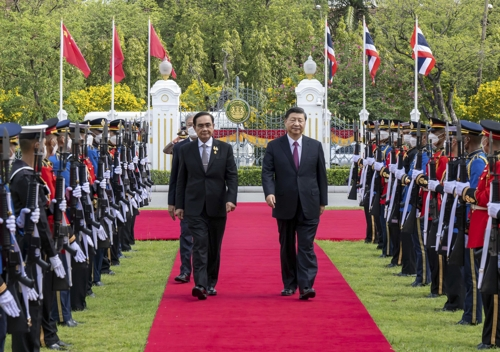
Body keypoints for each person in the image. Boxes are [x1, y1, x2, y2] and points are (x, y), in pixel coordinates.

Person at [262, 106, 328, 300]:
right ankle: (289, 284)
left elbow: (321, 175)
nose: (296, 124)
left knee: (306, 245)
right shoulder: (274, 146)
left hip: (310, 203)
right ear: (285, 122)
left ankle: (306, 286)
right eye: (293, 120)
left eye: (300, 120)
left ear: (305, 123)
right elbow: (267, 172)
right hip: (284, 203)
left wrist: (322, 201)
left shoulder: (315, 146)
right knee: (287, 245)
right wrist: (269, 193)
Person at [175, 111, 238, 300]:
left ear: (213, 127)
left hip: (218, 206)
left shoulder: (225, 149)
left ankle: (211, 282)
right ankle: (200, 284)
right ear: (194, 128)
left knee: (213, 246)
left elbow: (232, 176)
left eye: (208, 125)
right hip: (194, 206)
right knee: (200, 244)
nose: (205, 129)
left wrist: (231, 198)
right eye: (200, 125)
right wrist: (178, 205)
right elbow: (180, 179)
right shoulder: (186, 150)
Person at [168, 113, 197, 283]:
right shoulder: (180, 148)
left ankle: (204, 272)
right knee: (186, 235)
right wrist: (172, 202)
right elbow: (175, 177)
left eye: (196, 123)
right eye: (189, 124)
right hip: (185, 200)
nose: (193, 127)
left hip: (205, 200)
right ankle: (185, 270)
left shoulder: (214, 146)